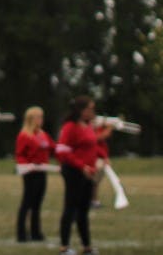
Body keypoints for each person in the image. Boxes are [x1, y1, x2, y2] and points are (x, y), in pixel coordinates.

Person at [55, 95, 100, 255]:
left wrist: (99, 161)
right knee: (70, 208)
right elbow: (62, 151)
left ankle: (87, 246)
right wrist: (82, 166)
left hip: (87, 173)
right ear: (81, 110)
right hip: (74, 172)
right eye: (90, 108)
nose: (92, 111)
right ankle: (64, 247)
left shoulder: (88, 125)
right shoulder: (70, 126)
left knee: (83, 210)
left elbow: (92, 147)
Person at [15, 106, 54, 242]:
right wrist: (28, 165)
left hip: (42, 171)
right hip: (30, 172)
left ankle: (36, 232)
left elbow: (52, 148)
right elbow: (20, 155)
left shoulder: (43, 134)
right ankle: (21, 234)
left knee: (37, 203)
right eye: (38, 117)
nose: (41, 120)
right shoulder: (24, 135)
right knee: (27, 203)